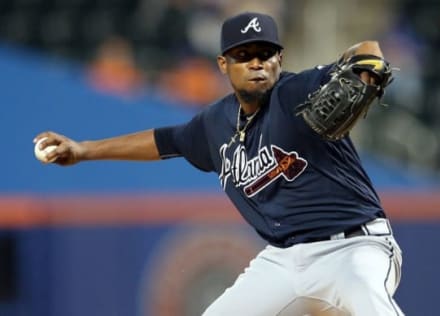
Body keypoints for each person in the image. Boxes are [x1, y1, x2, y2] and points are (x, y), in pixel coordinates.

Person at [34, 12, 404, 316]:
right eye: (244, 55)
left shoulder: (297, 91)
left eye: (265, 53)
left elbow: (366, 49)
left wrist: (365, 67)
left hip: (354, 247)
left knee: (372, 306)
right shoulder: (214, 124)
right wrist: (84, 149)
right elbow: (165, 141)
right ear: (224, 64)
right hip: (285, 259)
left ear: (280, 59)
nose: (257, 63)